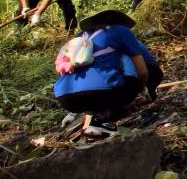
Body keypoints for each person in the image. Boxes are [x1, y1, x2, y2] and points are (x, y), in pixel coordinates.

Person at [54, 9, 163, 137]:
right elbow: (143, 71)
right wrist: (141, 87)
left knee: (96, 87)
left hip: (64, 96)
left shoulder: (80, 38)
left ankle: (98, 122)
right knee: (126, 73)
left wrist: (73, 113)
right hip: (102, 92)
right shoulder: (121, 31)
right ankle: (102, 119)